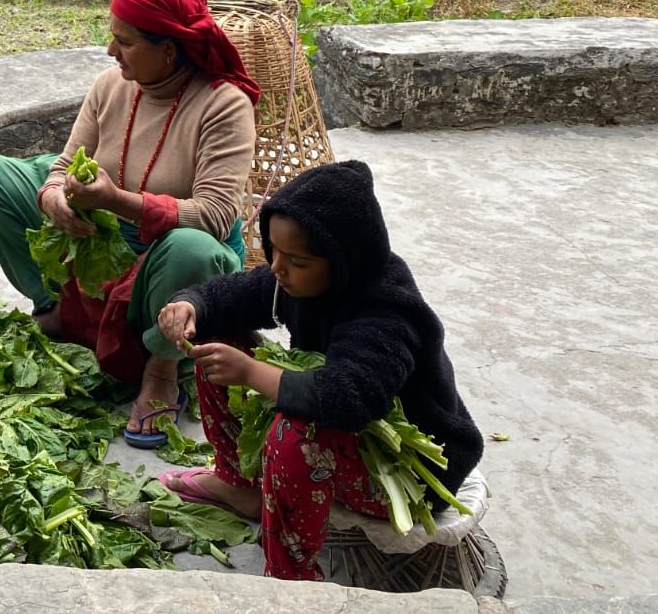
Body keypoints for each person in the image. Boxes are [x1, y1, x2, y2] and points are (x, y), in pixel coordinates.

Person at [155, 159, 483, 582]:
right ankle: (239, 485)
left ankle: (292, 578)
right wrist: (190, 305)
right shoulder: (296, 277)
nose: (277, 268)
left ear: (341, 261)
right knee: (218, 345)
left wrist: (252, 373)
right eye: (273, 251)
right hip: (344, 425)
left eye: (296, 260)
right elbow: (233, 295)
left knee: (294, 436)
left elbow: (349, 399)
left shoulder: (386, 312)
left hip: (408, 467)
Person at [0, 0, 258, 447]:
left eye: (124, 42)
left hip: (167, 259)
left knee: (194, 249)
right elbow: (63, 166)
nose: (110, 51)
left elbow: (215, 213)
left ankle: (162, 367)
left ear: (168, 50)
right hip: (100, 244)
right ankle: (59, 310)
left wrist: (116, 200)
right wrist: (54, 198)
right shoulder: (110, 86)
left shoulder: (223, 106)